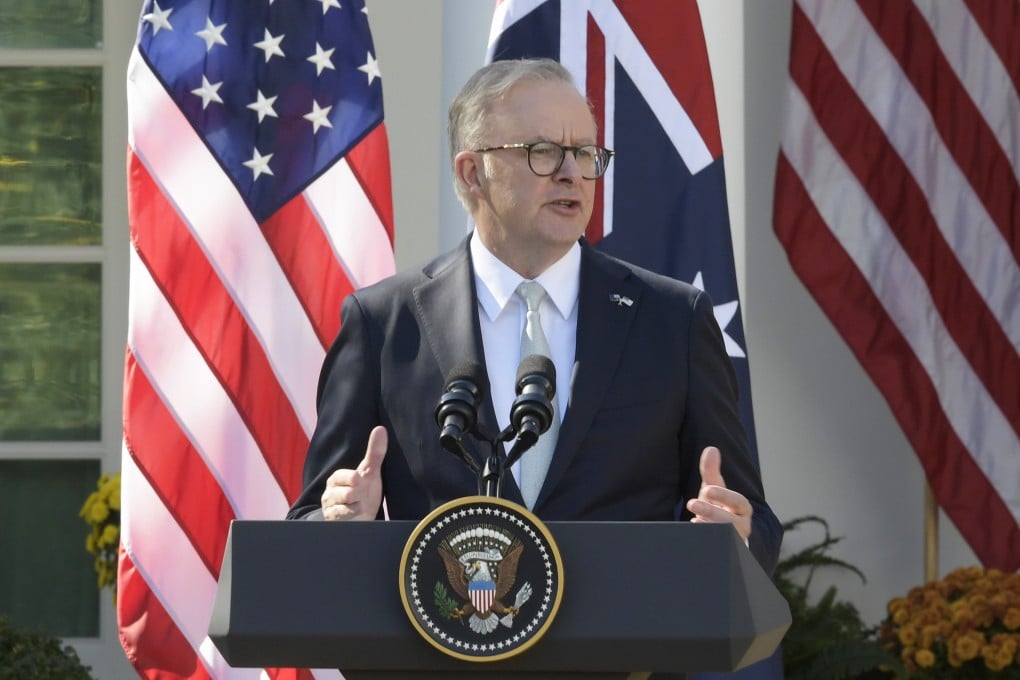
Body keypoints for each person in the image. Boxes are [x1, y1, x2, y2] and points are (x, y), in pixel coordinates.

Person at [287, 57, 782, 574]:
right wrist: (339, 522)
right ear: (472, 172)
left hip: (623, 651)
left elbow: (757, 525)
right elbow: (309, 522)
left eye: (585, 153)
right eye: (543, 152)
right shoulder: (383, 325)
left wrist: (734, 537)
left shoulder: (674, 321)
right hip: (443, 645)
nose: (573, 173)